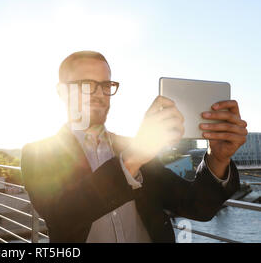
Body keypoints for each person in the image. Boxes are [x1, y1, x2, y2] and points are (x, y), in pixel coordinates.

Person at [20, 51, 247, 243]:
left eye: (105, 85)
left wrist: (218, 158)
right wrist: (130, 161)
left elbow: (197, 206)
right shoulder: (38, 153)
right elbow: (63, 216)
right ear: (61, 92)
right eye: (86, 84)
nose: (99, 94)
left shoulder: (134, 148)